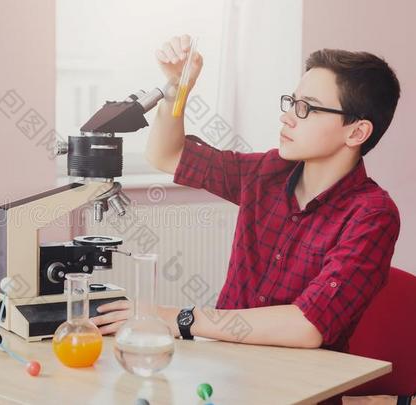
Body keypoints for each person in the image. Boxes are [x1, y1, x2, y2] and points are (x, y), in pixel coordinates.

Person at [91, 34, 401, 356]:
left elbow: (308, 325)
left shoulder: (372, 215)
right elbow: (167, 155)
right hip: (227, 370)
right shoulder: (268, 171)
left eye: (306, 108)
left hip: (301, 385)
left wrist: (176, 317)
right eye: (292, 102)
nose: (287, 116)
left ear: (356, 132)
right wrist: (176, 88)